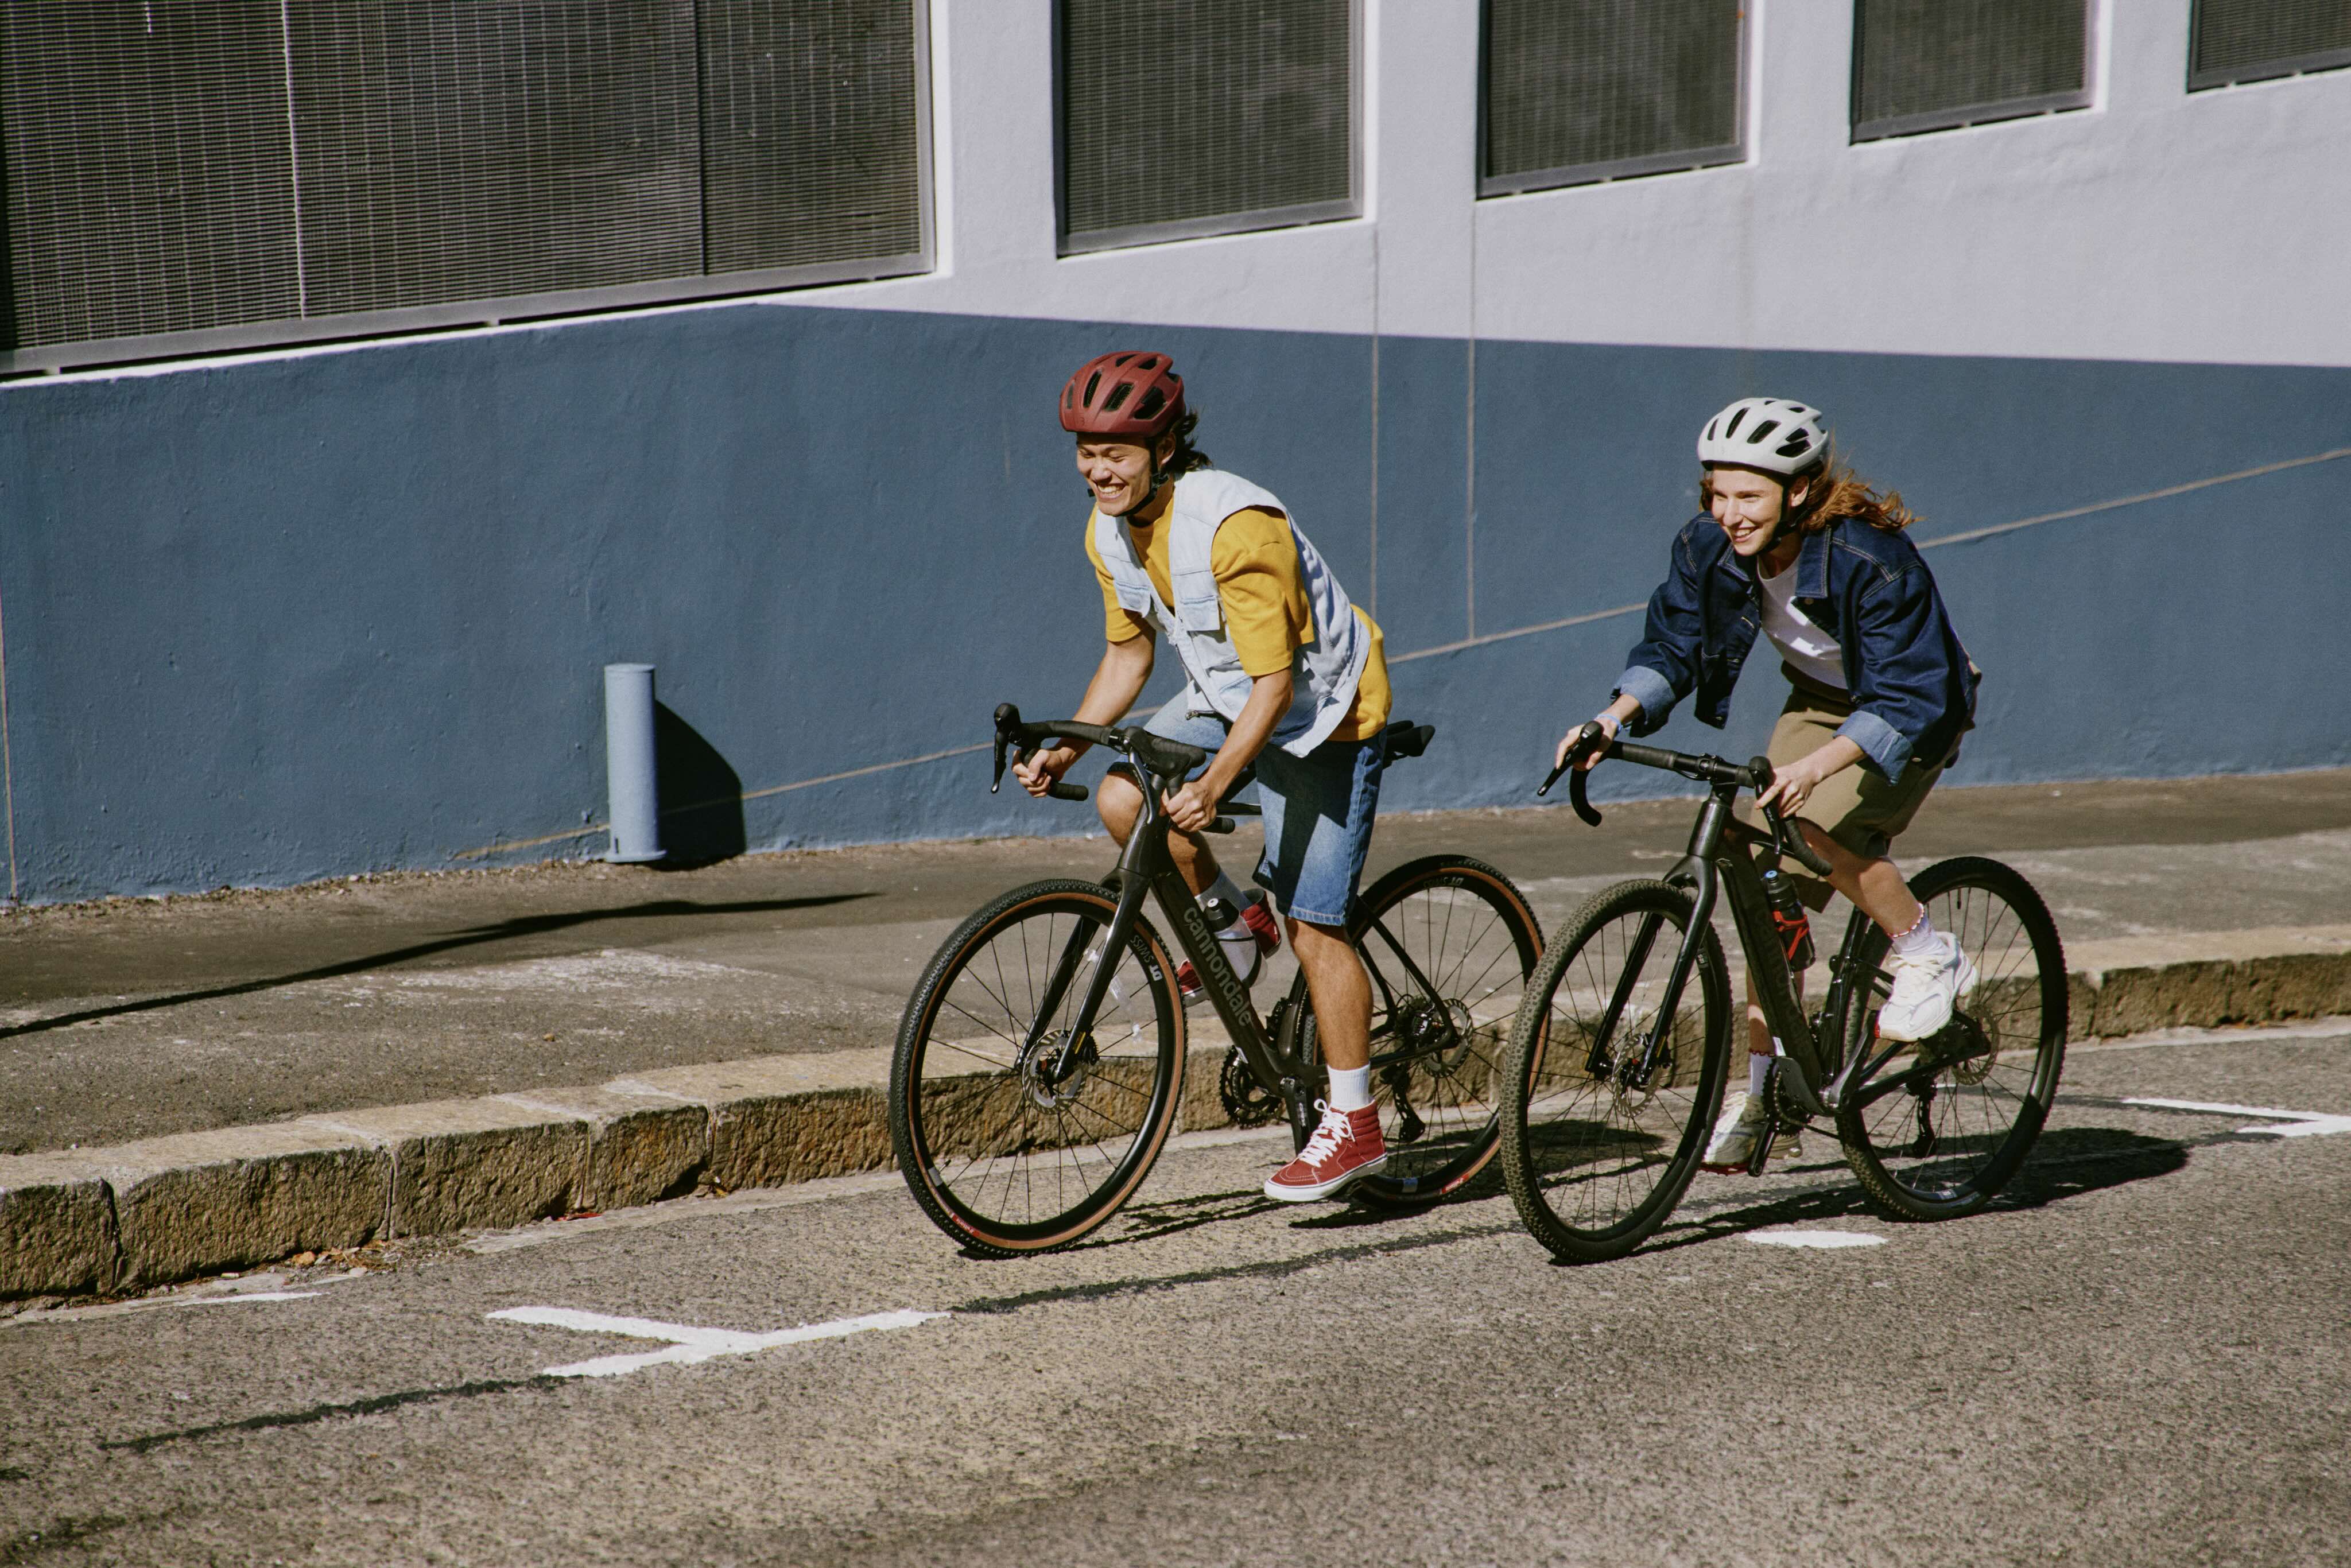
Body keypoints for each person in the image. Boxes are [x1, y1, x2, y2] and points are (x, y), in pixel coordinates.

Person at [1557, 397, 1981, 1173]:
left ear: (1798, 491)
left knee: (1818, 831)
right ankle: (1766, 1092)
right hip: (1821, 702)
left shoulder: (1869, 557)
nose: (1728, 513)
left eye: (1747, 496)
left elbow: (1911, 692)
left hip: (1912, 708)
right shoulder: (1709, 545)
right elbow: (1675, 641)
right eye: (1716, 494)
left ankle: (1928, 950)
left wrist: (1818, 768)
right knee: (1763, 894)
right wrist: (1611, 718)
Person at [1014, 350, 1396, 1202]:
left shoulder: (1234, 527)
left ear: (1167, 447)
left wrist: (1217, 786)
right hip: (1232, 698)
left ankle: (1354, 1124)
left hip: (1326, 716)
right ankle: (1231, 923)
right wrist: (1070, 747)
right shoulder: (1108, 528)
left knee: (1316, 926)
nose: (1096, 468)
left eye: (1116, 451)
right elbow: (1129, 654)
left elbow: (1278, 686)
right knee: (1126, 798)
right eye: (1084, 449)